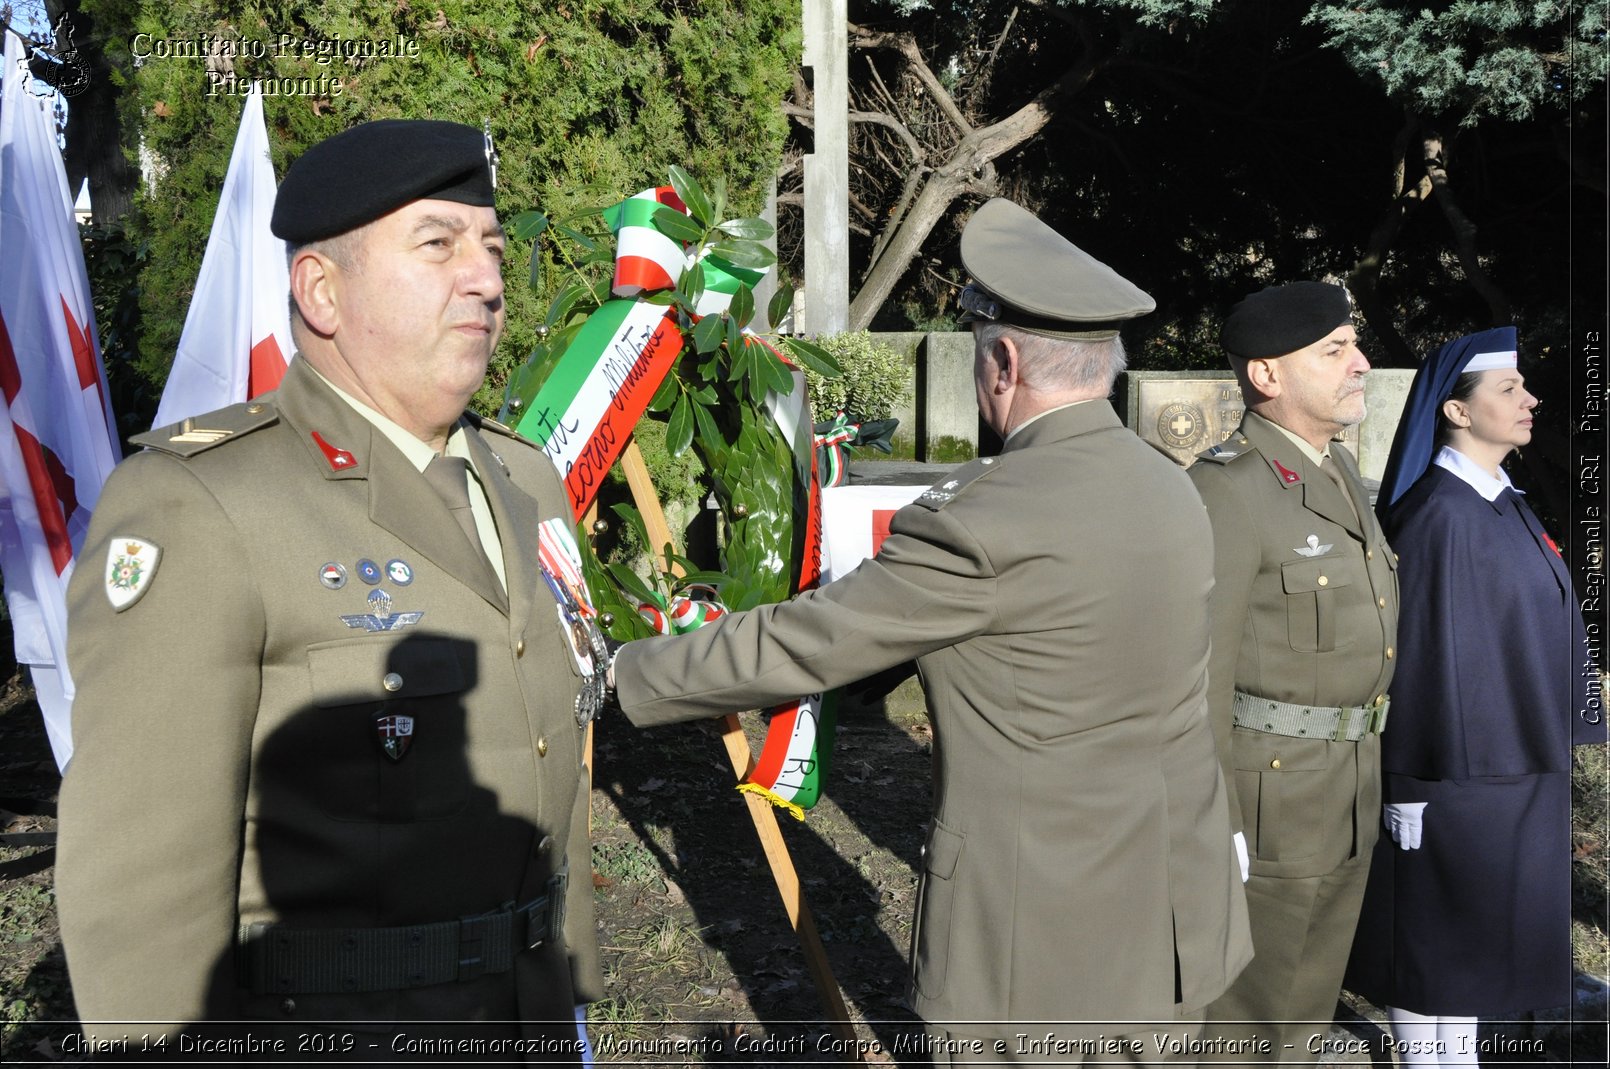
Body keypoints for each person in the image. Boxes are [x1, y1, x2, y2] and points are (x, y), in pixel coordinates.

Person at [609, 197, 1252, 1062]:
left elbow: (806, 641)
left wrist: (626, 672)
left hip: (1040, 939)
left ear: (1005, 363)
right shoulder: (1172, 485)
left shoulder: (982, 520)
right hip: (1174, 908)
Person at [56, 120, 603, 1057]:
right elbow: (140, 895)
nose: (485, 279)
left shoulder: (523, 480)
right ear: (322, 291)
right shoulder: (202, 503)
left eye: (493, 247)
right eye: (438, 243)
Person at [1343, 326, 1605, 1065]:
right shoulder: (1440, 515)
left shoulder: (1503, 502)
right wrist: (1408, 783)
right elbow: (1418, 659)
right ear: (1457, 411)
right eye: (1509, 389)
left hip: (1510, 767)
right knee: (1433, 945)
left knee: (1472, 951)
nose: (1531, 398)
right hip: (1452, 776)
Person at [1185, 282, 1398, 1061]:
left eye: (1354, 346)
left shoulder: (1334, 471)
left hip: (1344, 788)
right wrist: (1211, 819)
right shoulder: (1227, 489)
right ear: (1267, 375)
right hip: (1266, 800)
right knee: (1247, 1023)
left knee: (1304, 1014)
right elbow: (1195, 674)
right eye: (1334, 350)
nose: (1360, 365)